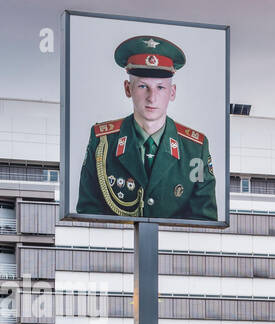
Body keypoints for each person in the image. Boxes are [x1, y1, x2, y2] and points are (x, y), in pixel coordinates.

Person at [76, 35, 217, 221]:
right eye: (143, 86)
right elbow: (88, 214)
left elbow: (204, 219)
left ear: (172, 92)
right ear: (128, 89)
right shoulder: (103, 141)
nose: (152, 97)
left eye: (160, 88)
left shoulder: (194, 149)